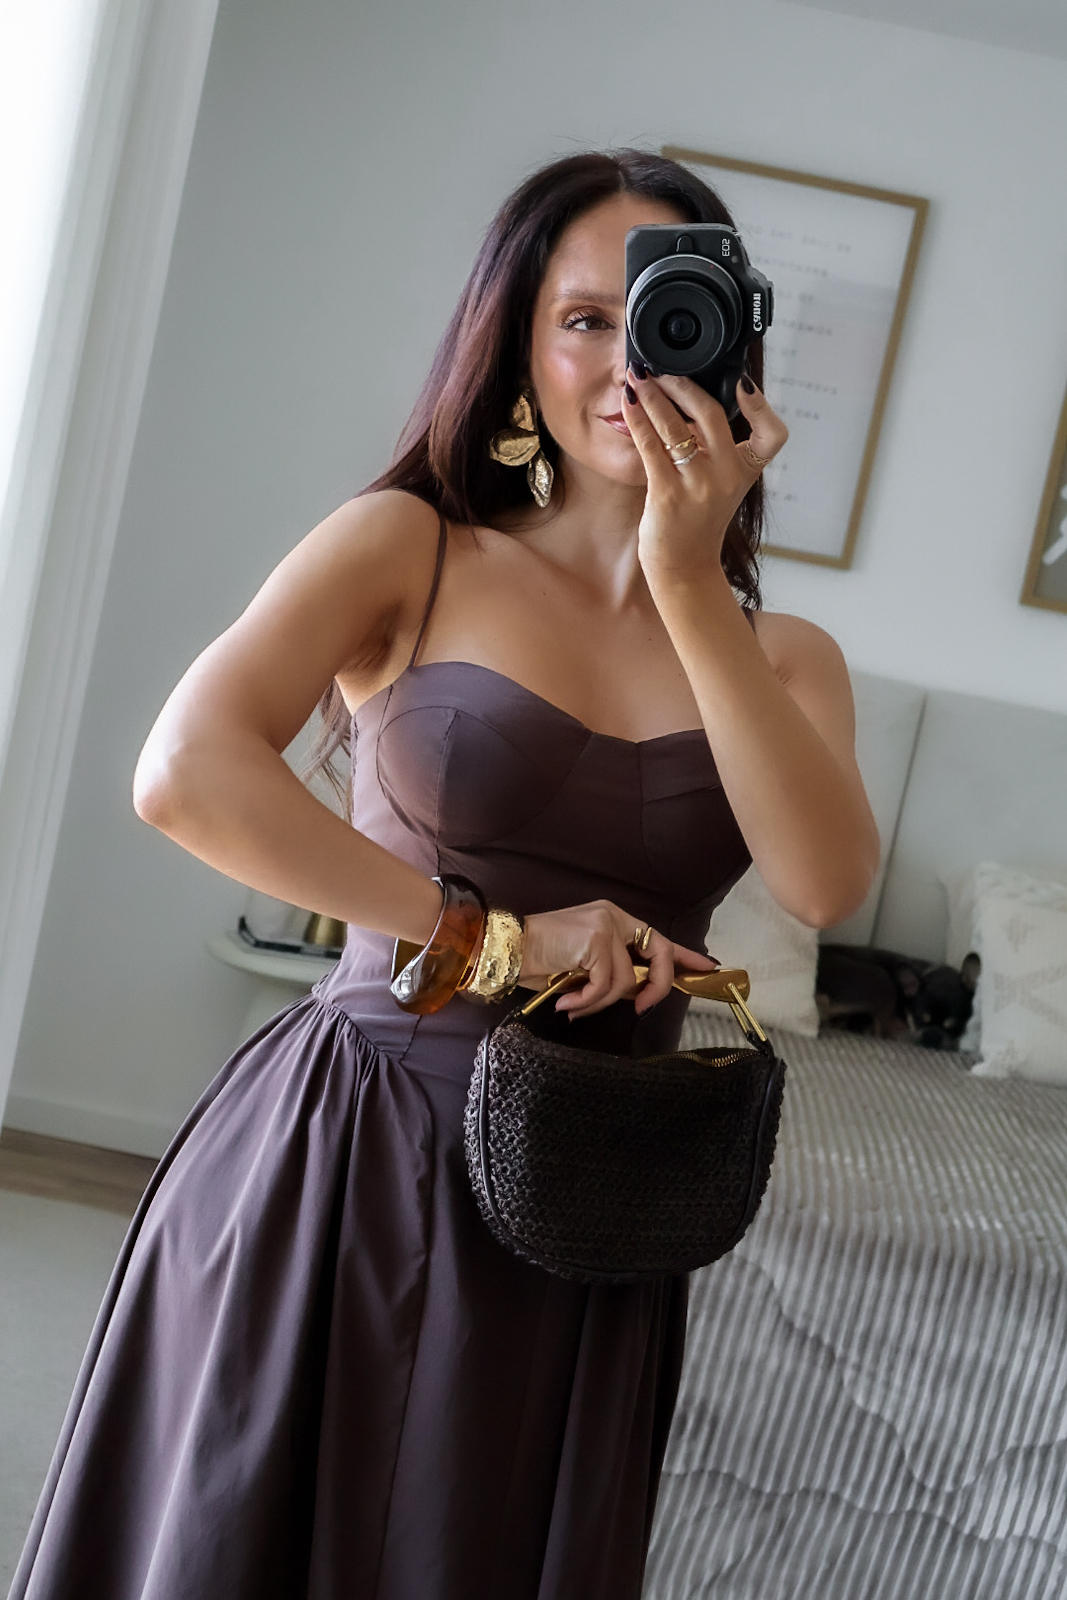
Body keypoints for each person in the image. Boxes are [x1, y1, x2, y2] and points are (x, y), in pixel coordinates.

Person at [10, 149, 878, 1600]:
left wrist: (686, 579)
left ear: (733, 346)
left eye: (663, 317)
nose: (626, 362)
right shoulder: (411, 547)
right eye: (583, 319)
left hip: (588, 1198)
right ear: (519, 351)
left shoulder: (786, 658)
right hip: (352, 1147)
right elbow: (186, 771)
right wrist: (495, 941)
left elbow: (823, 885)